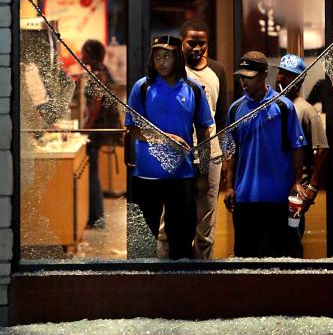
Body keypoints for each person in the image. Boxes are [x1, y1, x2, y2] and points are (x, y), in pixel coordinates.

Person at [125, 35, 214, 260]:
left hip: (181, 177)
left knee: (182, 245)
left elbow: (204, 133)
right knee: (141, 247)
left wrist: (202, 173)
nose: (161, 61)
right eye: (157, 55)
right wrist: (166, 138)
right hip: (146, 178)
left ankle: (180, 291)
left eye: (166, 55)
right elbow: (134, 130)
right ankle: (140, 290)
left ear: (177, 58)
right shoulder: (142, 87)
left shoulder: (193, 90)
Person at [224, 51, 307, 258]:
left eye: (249, 77)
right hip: (245, 199)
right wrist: (229, 187)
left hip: (277, 199)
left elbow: (298, 147)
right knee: (244, 259)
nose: (244, 82)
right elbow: (230, 151)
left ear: (264, 75)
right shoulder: (235, 110)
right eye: (242, 76)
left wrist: (297, 181)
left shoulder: (283, 107)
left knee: (280, 258)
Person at [157, 19, 227, 259]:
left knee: (206, 223)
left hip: (211, 153)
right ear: (181, 43)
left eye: (202, 44)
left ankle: (203, 277)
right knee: (169, 221)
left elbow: (222, 118)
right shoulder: (172, 72)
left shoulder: (217, 71)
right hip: (178, 154)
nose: (197, 49)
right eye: (191, 43)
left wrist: (226, 158)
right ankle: (164, 272)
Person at [275, 53, 329, 257]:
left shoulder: (306, 110)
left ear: (298, 80)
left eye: (288, 74)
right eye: (280, 72)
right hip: (275, 185)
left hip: (296, 191)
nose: (281, 77)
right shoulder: (272, 104)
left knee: (293, 238)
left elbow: (322, 148)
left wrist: (313, 186)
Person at [81, 39, 121, 229]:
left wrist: (87, 127)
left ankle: (96, 218)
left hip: (95, 130)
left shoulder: (98, 74)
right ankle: (95, 217)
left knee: (92, 173)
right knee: (92, 172)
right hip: (96, 127)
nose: (81, 55)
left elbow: (96, 103)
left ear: (90, 53)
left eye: (83, 51)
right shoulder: (100, 71)